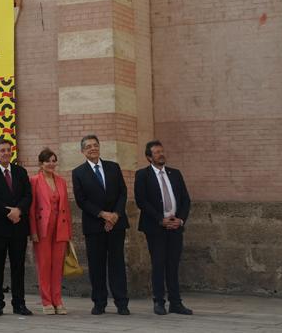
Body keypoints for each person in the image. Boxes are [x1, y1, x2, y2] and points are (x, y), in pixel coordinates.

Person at [72, 134, 130, 315]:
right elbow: (81, 200)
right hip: (94, 226)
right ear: (83, 151)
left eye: (95, 145)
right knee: (96, 266)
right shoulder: (78, 172)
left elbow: (123, 192)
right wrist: (102, 215)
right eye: (88, 146)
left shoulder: (113, 167)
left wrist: (115, 215)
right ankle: (99, 302)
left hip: (116, 223)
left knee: (117, 264)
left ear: (99, 147)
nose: (92, 148)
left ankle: (122, 303)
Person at [134, 140, 193, 316]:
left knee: (173, 265)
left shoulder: (175, 173)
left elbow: (185, 200)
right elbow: (141, 201)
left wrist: (180, 219)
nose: (161, 154)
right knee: (158, 264)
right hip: (155, 227)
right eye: (157, 152)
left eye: (162, 151)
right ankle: (159, 301)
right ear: (149, 157)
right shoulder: (142, 175)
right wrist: (160, 219)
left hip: (175, 226)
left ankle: (176, 303)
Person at [0, 138, 33, 316]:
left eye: (8, 150)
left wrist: (19, 210)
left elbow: (28, 195)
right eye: (2, 150)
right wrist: (8, 212)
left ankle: (19, 303)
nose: (6, 153)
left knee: (18, 267)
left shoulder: (20, 172)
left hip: (18, 226)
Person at [29, 148, 73, 315]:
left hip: (60, 228)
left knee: (57, 266)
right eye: (48, 161)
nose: (51, 164)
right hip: (42, 229)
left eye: (54, 161)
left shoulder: (61, 181)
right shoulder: (34, 181)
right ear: (41, 163)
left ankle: (58, 300)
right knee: (45, 265)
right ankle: (46, 301)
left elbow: (66, 209)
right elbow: (32, 209)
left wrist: (68, 231)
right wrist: (33, 231)